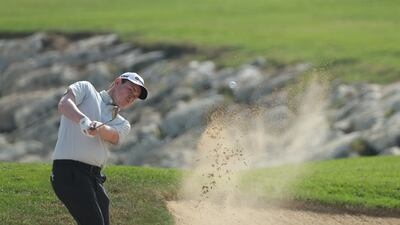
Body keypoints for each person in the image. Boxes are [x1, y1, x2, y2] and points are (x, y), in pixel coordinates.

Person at [50, 72, 148, 225]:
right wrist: (84, 121)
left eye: (135, 96)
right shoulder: (86, 89)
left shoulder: (122, 123)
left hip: (93, 178)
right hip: (69, 171)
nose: (132, 97)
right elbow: (64, 104)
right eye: (130, 89)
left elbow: (113, 136)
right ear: (117, 82)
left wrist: (98, 128)